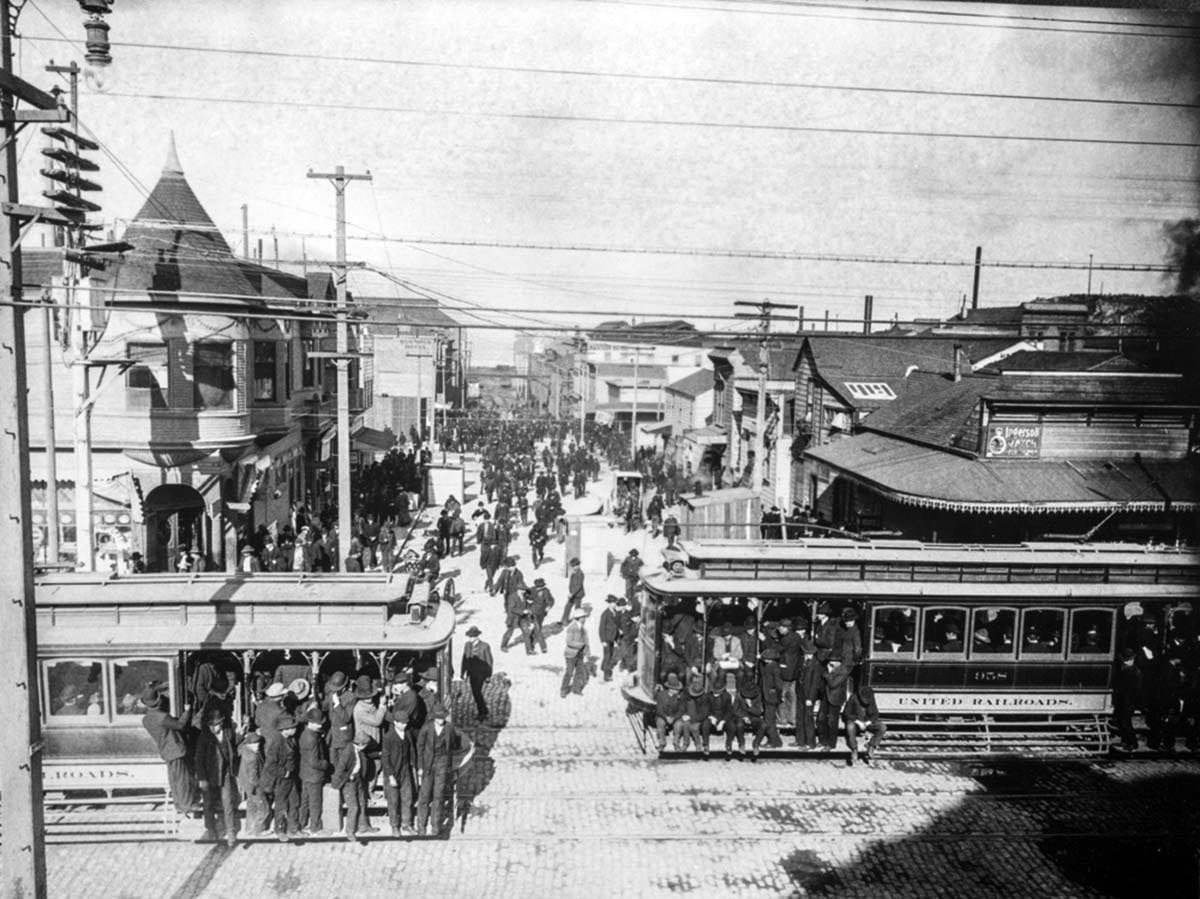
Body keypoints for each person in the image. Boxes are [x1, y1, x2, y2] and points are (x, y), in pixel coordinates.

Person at [415, 703, 474, 837]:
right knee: (424, 797)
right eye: (439, 717)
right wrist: (420, 767)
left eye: (443, 717)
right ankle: (421, 827)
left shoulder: (449, 728)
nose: (441, 720)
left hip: (442, 765)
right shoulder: (426, 729)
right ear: (434, 718)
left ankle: (435, 827)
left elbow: (457, 743)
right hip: (428, 766)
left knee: (438, 796)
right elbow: (420, 748)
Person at [140, 686, 198, 815]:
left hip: (166, 750)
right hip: (176, 749)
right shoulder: (162, 716)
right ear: (158, 702)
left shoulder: (146, 719)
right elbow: (180, 725)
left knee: (174, 779)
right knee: (182, 778)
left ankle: (179, 804)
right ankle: (186, 805)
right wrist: (187, 711)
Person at [194, 707, 239, 847]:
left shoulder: (228, 733)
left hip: (225, 774)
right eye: (211, 725)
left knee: (228, 803)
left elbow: (233, 748)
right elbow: (198, 760)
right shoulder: (204, 737)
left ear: (222, 723)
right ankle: (211, 830)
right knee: (208, 804)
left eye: (216, 725)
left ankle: (231, 832)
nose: (213, 728)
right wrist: (202, 779)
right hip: (209, 775)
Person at [262, 713, 301, 841]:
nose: (295, 729)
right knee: (281, 804)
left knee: (294, 801)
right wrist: (284, 772)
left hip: (291, 777)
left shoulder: (290, 739)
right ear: (284, 729)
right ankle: (280, 829)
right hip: (281, 779)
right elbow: (270, 765)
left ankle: (293, 828)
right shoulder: (276, 743)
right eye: (292, 727)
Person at [381, 710, 418, 836]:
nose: (404, 725)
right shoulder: (388, 737)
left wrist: (413, 766)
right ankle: (395, 826)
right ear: (395, 723)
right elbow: (385, 758)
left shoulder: (407, 733)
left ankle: (406, 824)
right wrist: (390, 776)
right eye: (401, 723)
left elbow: (411, 750)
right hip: (393, 772)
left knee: (408, 798)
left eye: (406, 723)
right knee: (393, 801)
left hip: (405, 770)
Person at [298, 707, 330, 835]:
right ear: (310, 722)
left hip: (305, 774)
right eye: (318, 723)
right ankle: (315, 828)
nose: (320, 725)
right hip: (314, 775)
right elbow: (314, 762)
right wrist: (326, 764)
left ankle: (301, 824)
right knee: (315, 803)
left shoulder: (305, 733)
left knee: (305, 801)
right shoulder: (312, 739)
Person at [843, 682, 886, 765]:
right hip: (855, 721)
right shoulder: (853, 697)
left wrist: (868, 722)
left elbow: (876, 714)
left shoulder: (871, 698)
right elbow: (846, 713)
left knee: (882, 727)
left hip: (866, 721)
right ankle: (854, 748)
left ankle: (871, 745)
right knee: (850, 727)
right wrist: (858, 722)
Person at [237, 730, 268, 836]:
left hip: (246, 784)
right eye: (254, 743)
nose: (257, 745)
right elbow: (253, 776)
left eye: (258, 742)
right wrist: (257, 786)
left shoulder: (245, 750)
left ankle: (249, 828)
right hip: (254, 786)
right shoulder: (253, 757)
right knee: (263, 807)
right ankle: (258, 829)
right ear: (249, 744)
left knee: (251, 807)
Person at [460, 626, 494, 722]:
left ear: (476, 637)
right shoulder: (467, 645)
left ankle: (482, 712)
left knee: (477, 691)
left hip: (481, 674)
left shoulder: (485, 646)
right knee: (475, 692)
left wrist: (488, 675)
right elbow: (464, 659)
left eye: (472, 637)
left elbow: (489, 661)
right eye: (469, 637)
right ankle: (483, 710)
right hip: (471, 673)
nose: (470, 639)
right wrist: (462, 672)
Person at [794, 636, 821, 750]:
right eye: (806, 653)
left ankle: (810, 743)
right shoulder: (802, 660)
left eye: (809, 653)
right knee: (800, 717)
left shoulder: (816, 665)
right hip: (801, 692)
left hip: (809, 695)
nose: (807, 655)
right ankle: (800, 740)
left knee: (808, 719)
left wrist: (810, 698)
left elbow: (814, 684)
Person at [819, 658, 851, 751]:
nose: (830, 663)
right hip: (826, 697)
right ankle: (823, 741)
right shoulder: (831, 669)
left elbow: (833, 684)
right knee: (821, 719)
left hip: (836, 699)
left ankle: (831, 744)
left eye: (832, 661)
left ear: (838, 662)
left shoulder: (843, 671)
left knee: (832, 722)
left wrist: (828, 673)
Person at [759, 645, 785, 749]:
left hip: (771, 697)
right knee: (770, 719)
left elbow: (778, 684)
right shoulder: (770, 666)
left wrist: (778, 695)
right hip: (768, 696)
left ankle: (772, 741)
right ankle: (777, 741)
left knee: (769, 720)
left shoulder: (773, 668)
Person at [561, 607, 591, 698]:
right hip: (571, 654)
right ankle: (563, 689)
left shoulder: (583, 629)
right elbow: (569, 642)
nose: (585, 619)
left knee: (579, 672)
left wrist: (587, 651)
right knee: (569, 672)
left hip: (580, 654)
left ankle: (576, 689)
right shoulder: (572, 628)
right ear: (579, 618)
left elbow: (586, 641)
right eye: (583, 617)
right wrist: (580, 645)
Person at [654, 673, 687, 752]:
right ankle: (662, 743)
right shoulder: (661, 695)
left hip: (675, 716)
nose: (678, 691)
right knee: (660, 723)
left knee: (679, 725)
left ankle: (676, 743)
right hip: (663, 716)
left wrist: (674, 718)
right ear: (670, 689)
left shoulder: (681, 696)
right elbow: (659, 710)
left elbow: (682, 710)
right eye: (676, 689)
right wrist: (666, 717)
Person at [526, 578, 554, 655]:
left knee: (538, 627)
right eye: (538, 587)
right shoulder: (532, 590)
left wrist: (549, 606)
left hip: (542, 613)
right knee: (538, 629)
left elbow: (551, 600)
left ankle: (530, 639)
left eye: (541, 587)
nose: (539, 588)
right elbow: (526, 597)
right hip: (534, 612)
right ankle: (543, 647)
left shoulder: (546, 591)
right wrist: (528, 602)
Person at [599, 595, 622, 682]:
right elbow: (601, 628)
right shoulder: (605, 614)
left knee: (609, 654)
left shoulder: (615, 612)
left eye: (615, 603)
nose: (615, 604)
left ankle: (603, 667)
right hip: (607, 639)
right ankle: (607, 675)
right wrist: (603, 640)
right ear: (609, 603)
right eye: (613, 603)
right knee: (608, 656)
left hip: (612, 638)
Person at [559, 557, 585, 626]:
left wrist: (572, 593)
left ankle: (578, 622)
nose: (574, 567)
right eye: (573, 566)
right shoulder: (574, 573)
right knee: (567, 607)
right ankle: (564, 621)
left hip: (578, 594)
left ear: (578, 565)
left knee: (577, 609)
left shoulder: (580, 573)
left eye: (575, 566)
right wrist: (571, 592)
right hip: (573, 594)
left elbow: (578, 585)